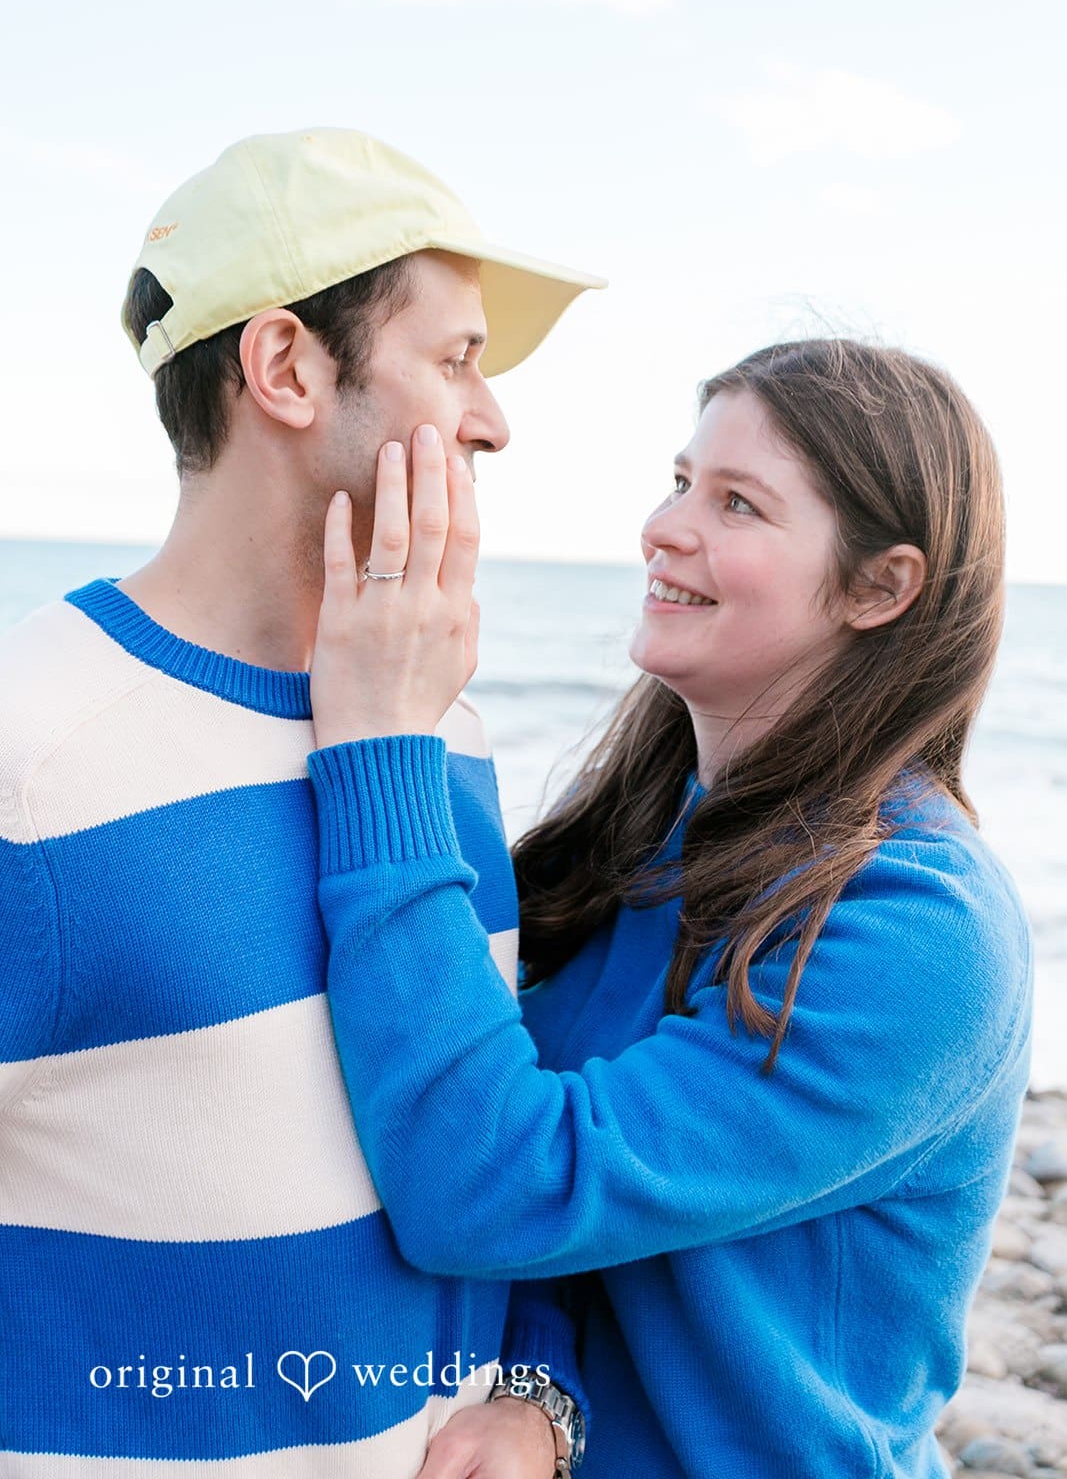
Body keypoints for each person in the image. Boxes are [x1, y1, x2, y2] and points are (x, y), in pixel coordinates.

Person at [303, 337, 1034, 1478]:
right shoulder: (649, 832)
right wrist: (545, 1386)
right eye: (681, 478)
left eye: (736, 503)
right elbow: (569, 1168)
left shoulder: (920, 929)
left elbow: (499, 1187)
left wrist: (383, 748)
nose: (664, 524)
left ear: (878, 586)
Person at [0, 126, 605, 1477]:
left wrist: (529, 1393)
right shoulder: (30, 759)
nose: (493, 419)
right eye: (455, 360)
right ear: (284, 368)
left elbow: (456, 1151)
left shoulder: (432, 726)